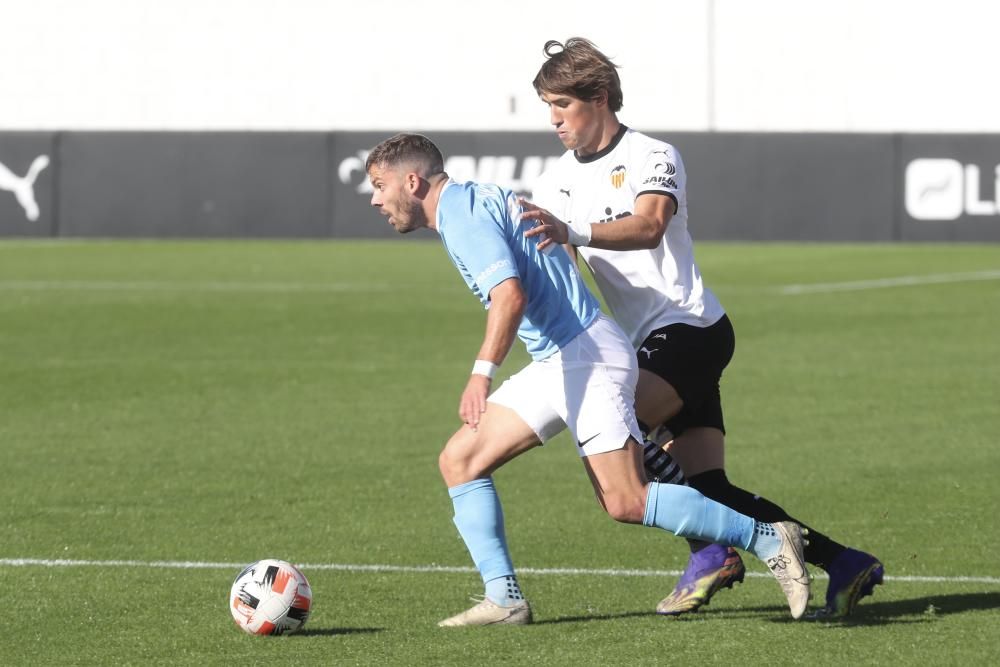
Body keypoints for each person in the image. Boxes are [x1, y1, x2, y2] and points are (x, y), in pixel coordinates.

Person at [366, 132, 811, 626]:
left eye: (380, 185)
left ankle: (768, 536)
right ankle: (505, 600)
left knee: (625, 499)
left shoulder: (461, 214)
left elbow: (508, 297)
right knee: (460, 460)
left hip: (586, 355)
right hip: (561, 358)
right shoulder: (476, 199)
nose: (375, 198)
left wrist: (480, 375)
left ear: (412, 181)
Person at [521, 37, 884, 618]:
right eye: (548, 106)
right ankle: (843, 560)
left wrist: (573, 231)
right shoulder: (556, 179)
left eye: (562, 105)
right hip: (648, 345)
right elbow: (564, 278)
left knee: (614, 437)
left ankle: (711, 551)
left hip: (689, 329)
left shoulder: (651, 154)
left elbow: (649, 225)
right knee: (709, 488)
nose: (553, 120)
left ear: (599, 97)